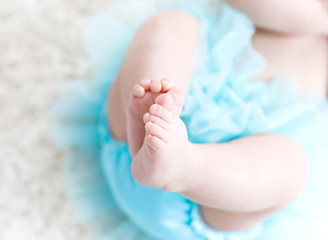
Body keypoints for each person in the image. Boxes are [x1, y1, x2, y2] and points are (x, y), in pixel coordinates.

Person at [53, 0, 328, 239]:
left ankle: (181, 165)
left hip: (214, 194)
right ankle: (153, 110)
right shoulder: (310, 13)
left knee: (292, 166)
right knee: (172, 25)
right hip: (143, 127)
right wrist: (314, 16)